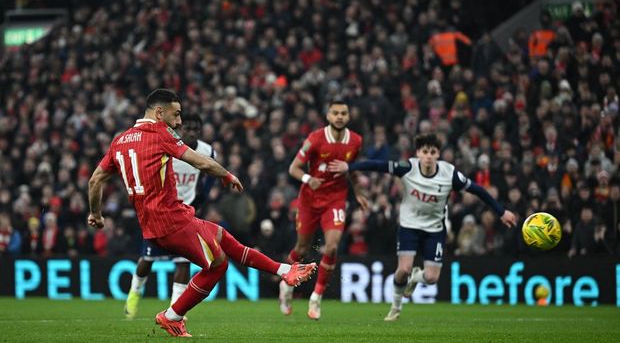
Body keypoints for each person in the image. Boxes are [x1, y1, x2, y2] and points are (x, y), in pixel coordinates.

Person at [88, 89, 317, 337]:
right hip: (170, 220)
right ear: (158, 112)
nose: (178, 122)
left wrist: (96, 214)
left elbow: (95, 181)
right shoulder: (159, 133)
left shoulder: (120, 141)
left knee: (223, 237)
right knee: (218, 266)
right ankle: (172, 316)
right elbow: (201, 162)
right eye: (175, 115)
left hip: (160, 220)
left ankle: (285, 271)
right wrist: (227, 175)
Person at [328, 133, 516, 321]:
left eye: (432, 152)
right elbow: (378, 166)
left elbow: (478, 190)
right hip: (409, 226)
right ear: (418, 153)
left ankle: (417, 277)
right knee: (403, 270)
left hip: (435, 229)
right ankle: (395, 307)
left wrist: (501, 212)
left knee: (432, 278)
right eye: (424, 151)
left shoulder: (449, 174)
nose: (428, 156)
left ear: (438, 155)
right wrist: (349, 166)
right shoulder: (407, 167)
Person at [279, 100, 368, 320]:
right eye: (335, 113)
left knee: (332, 247)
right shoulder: (315, 138)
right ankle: (287, 285)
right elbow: (293, 168)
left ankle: (316, 298)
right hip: (309, 199)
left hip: (335, 200)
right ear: (328, 115)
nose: (339, 116)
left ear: (348, 116)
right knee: (302, 247)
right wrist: (309, 179)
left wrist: (357, 191)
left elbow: (353, 170)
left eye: (343, 113)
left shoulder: (356, 141)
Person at [124, 113, 217, 319]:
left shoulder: (207, 151)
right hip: (159, 211)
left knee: (183, 261)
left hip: (184, 212)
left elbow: (208, 181)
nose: (192, 132)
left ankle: (176, 309)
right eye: (188, 128)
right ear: (181, 129)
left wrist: (198, 202)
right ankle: (134, 293)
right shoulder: (167, 145)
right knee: (148, 259)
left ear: (200, 131)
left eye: (196, 128)